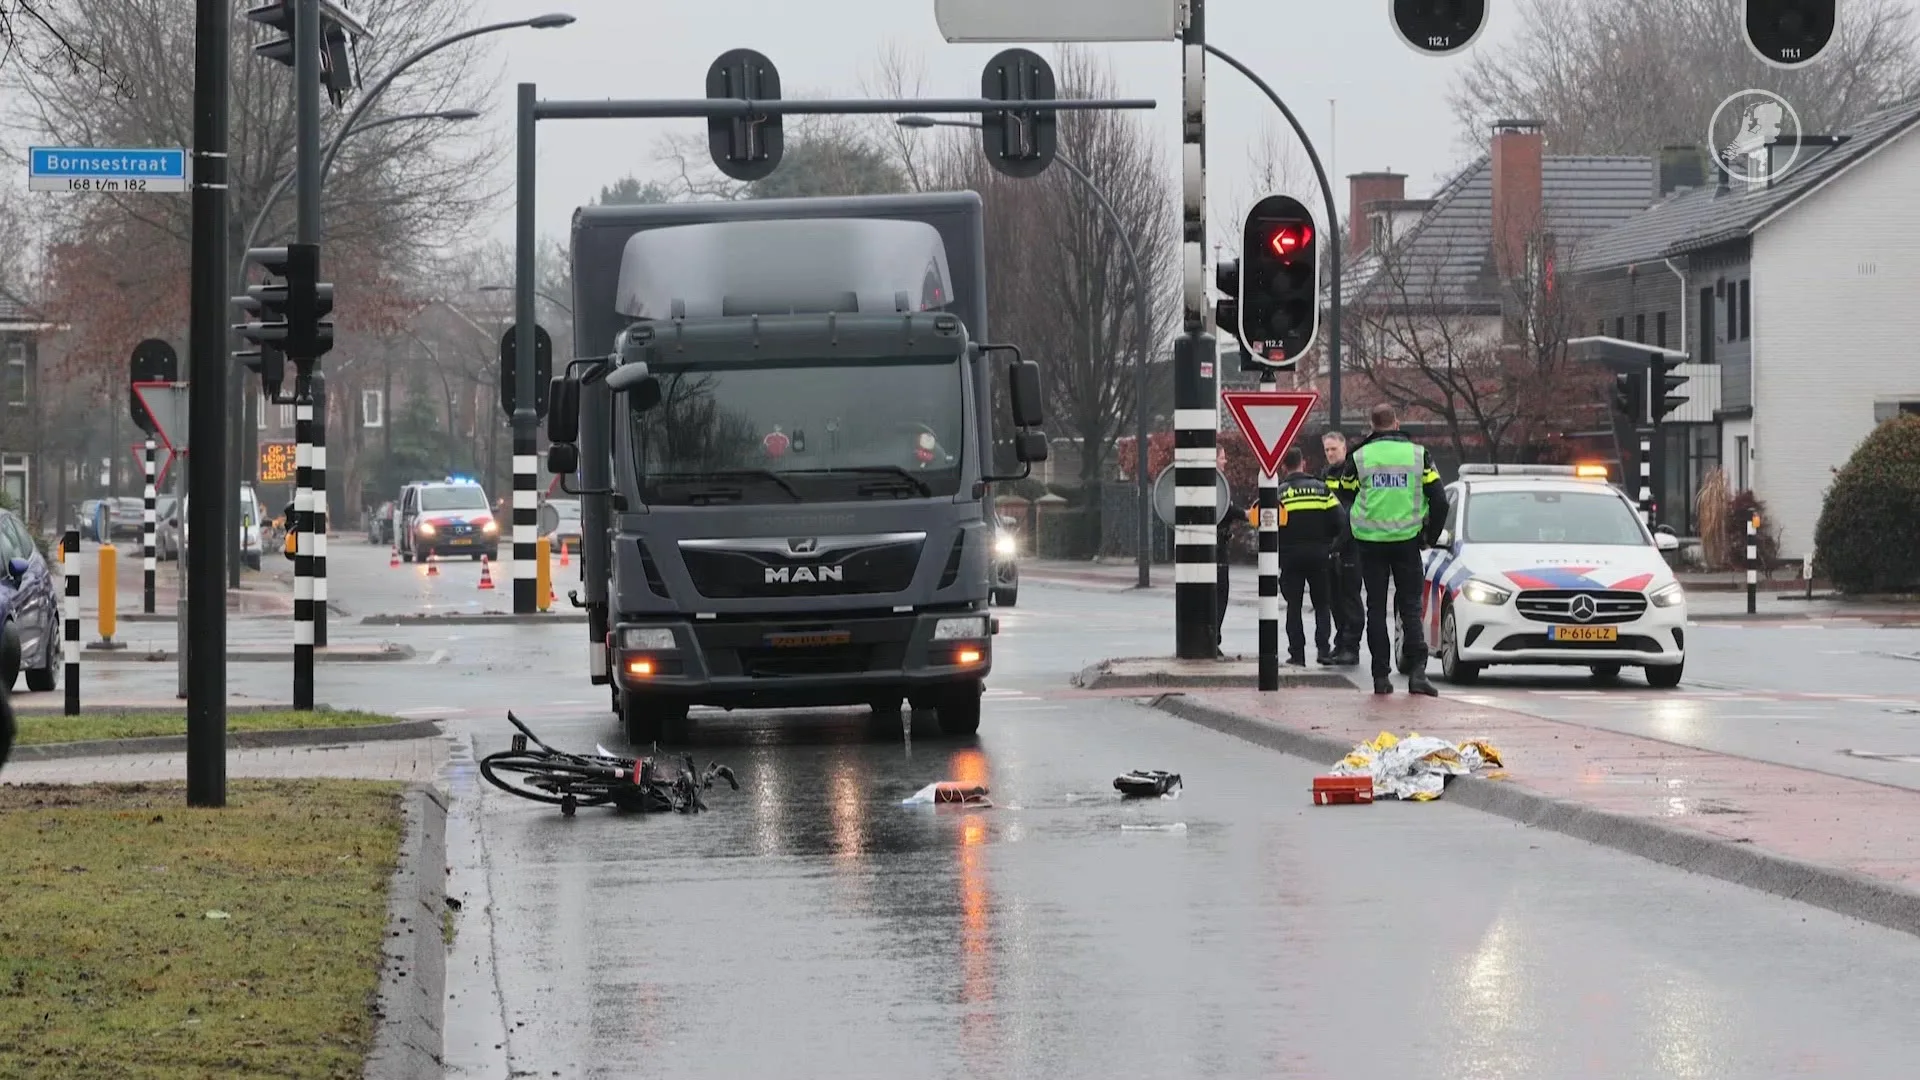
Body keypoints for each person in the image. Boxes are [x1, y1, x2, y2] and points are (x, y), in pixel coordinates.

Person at [1349, 403, 1445, 696]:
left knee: (1376, 609)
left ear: (1371, 424)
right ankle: (1417, 675)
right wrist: (1429, 535)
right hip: (1407, 541)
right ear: (1397, 422)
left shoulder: (1360, 456)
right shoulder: (1418, 455)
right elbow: (1440, 500)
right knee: (1411, 609)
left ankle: (1381, 677)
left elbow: (1343, 492)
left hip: (1370, 543)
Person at [1274, 447, 1345, 666]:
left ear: (1285, 466)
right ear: (1303, 463)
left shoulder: (1279, 493)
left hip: (1291, 557)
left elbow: (1269, 526)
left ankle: (1297, 654)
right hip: (1319, 556)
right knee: (1322, 604)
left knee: (1293, 606)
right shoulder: (1321, 489)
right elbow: (1341, 520)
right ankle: (1323, 651)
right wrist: (1329, 543)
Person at [1319, 430, 1363, 666]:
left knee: (1350, 596)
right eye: (1326, 449)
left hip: (1350, 542)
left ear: (1344, 448)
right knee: (1334, 597)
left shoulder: (1351, 473)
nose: (1330, 453)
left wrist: (1342, 539)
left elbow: (1353, 509)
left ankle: (1351, 647)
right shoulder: (1325, 474)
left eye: (1334, 449)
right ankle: (1340, 643)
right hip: (1331, 542)